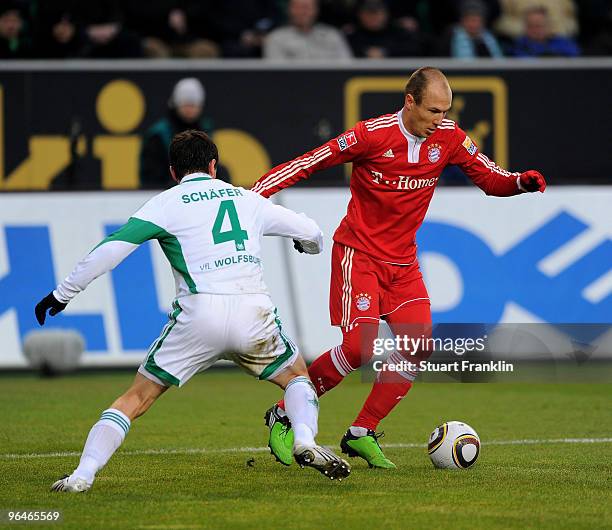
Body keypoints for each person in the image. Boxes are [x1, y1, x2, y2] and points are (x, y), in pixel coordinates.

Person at [252, 67, 546, 469]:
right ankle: (284, 413)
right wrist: (250, 197)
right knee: (360, 347)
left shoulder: (449, 137)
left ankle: (360, 433)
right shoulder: (371, 135)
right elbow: (310, 162)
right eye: (432, 111)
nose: (439, 120)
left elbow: (490, 179)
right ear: (410, 101)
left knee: (417, 345)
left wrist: (519, 183)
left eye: (445, 111)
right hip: (359, 255)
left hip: (403, 262)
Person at [36, 130, 351, 492]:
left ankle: (82, 475)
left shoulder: (166, 203)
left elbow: (111, 250)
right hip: (253, 312)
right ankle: (305, 439)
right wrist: (306, 245)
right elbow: (311, 230)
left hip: (199, 315)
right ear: (214, 165)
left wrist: (63, 293)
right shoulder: (247, 199)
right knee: (297, 377)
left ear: (173, 171)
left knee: (136, 398)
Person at [140, 78, 214, 190]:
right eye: (185, 104)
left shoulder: (206, 129)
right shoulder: (159, 134)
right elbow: (151, 173)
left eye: (193, 104)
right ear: (176, 104)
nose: (190, 109)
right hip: (165, 190)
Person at [263, 0, 352, 60]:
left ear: (316, 10)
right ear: (289, 10)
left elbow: (346, 65)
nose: (303, 12)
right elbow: (275, 73)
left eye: (307, 7)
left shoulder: (332, 35)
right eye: (298, 7)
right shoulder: (276, 38)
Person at [512, 6, 579, 57]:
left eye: (539, 26)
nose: (535, 30)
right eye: (531, 26)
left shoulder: (563, 43)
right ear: (525, 27)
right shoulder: (518, 45)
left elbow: (575, 57)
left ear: (548, 26)